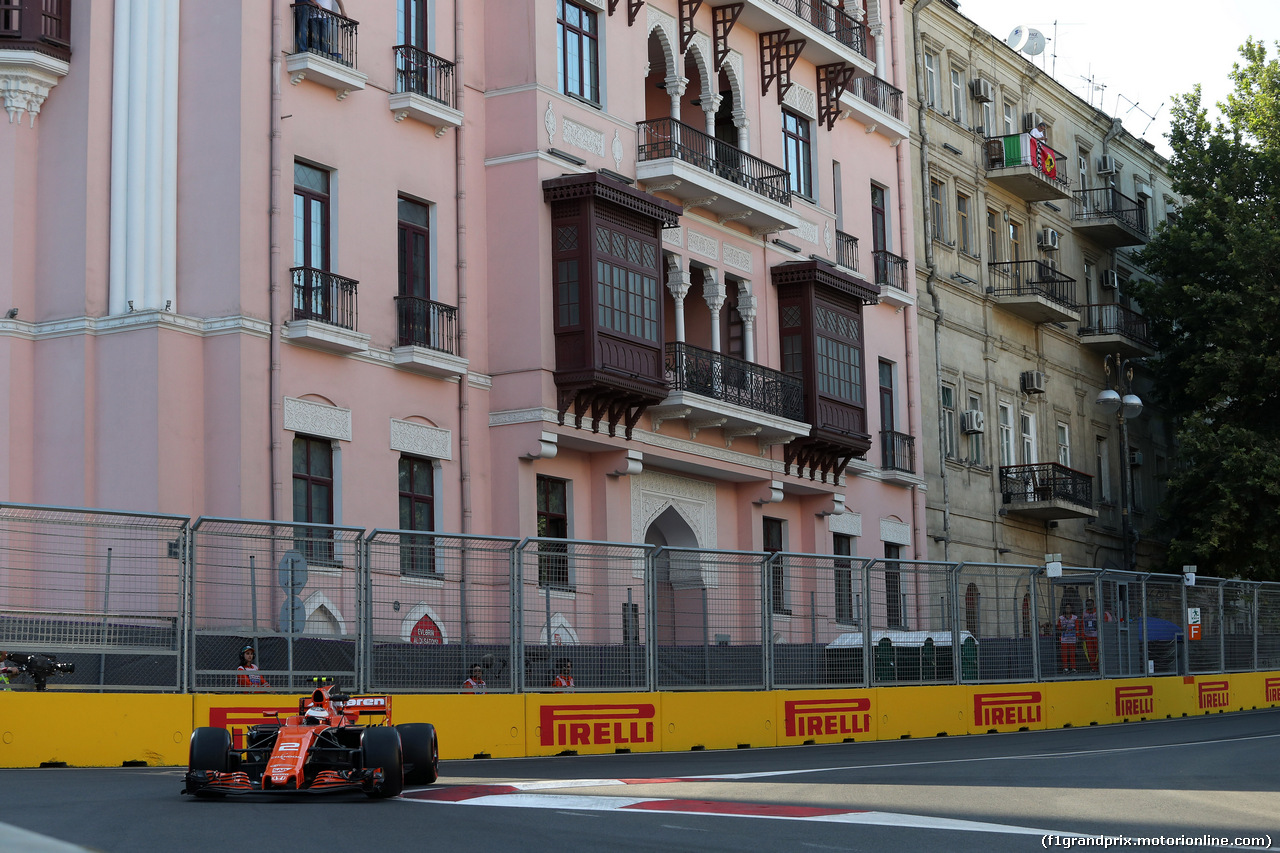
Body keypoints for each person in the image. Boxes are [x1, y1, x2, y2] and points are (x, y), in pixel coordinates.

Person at [1080, 598, 1114, 673]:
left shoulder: (1099, 613)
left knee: (1099, 652)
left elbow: (1105, 623)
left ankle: (1100, 667)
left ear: (1093, 604)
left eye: (1090, 604)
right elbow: (1082, 625)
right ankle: (1093, 668)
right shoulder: (1084, 614)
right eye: (1087, 604)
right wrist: (1082, 636)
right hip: (1088, 636)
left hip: (1097, 636)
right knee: (1090, 653)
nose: (1089, 606)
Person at [1056, 604, 1079, 673]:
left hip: (1072, 638)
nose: (1068, 609)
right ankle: (1065, 668)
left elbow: (1077, 628)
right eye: (1066, 608)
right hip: (1064, 639)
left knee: (1072, 654)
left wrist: (1077, 636)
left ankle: (1073, 668)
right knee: (1064, 654)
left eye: (1069, 608)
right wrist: (1062, 628)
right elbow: (1058, 627)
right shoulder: (1061, 618)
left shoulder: (1075, 618)